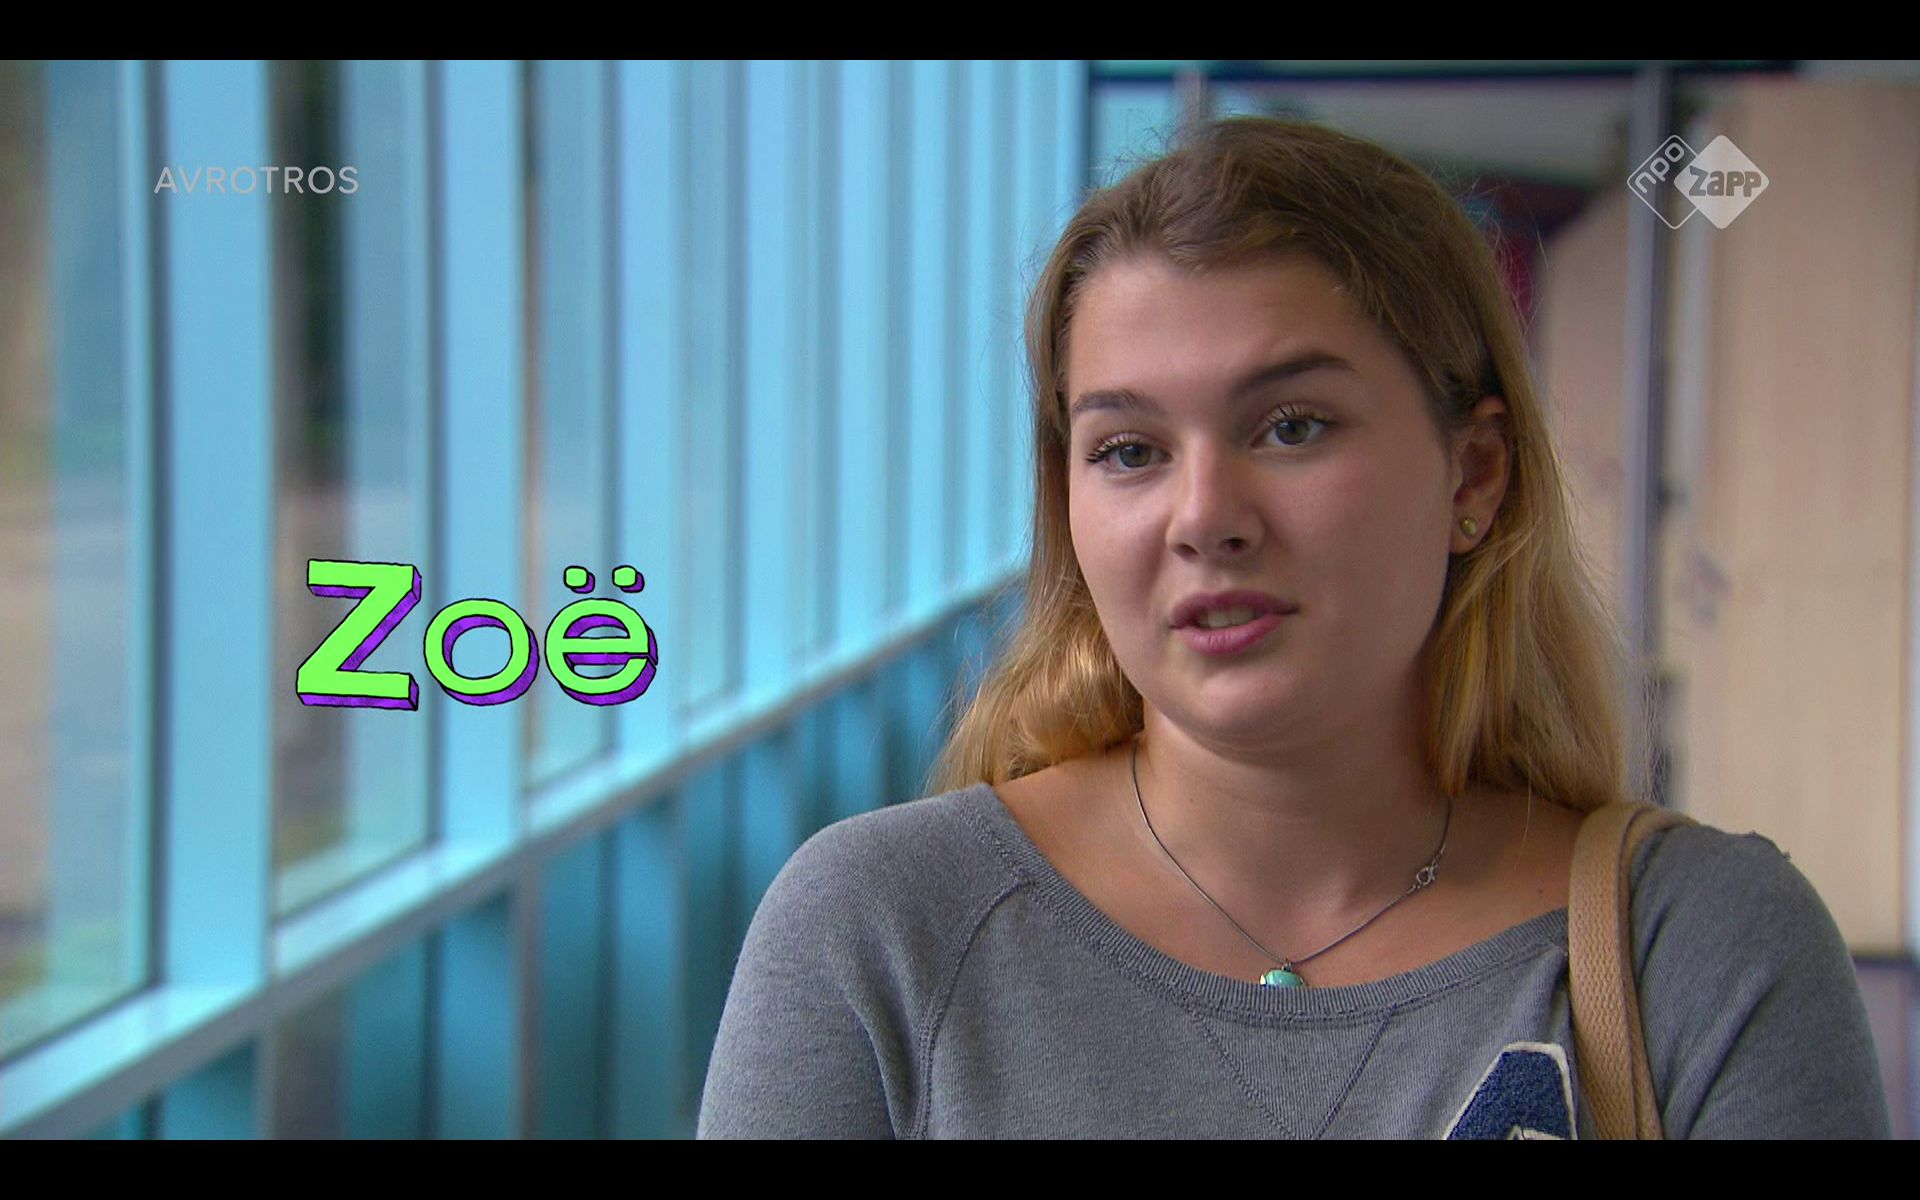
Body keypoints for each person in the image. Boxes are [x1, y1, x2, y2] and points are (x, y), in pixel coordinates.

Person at [696, 116, 1890, 1139]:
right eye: (1129, 450)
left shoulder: (1696, 950)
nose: (1204, 517)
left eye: (1293, 427)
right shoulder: (882, 933)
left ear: (1474, 475)